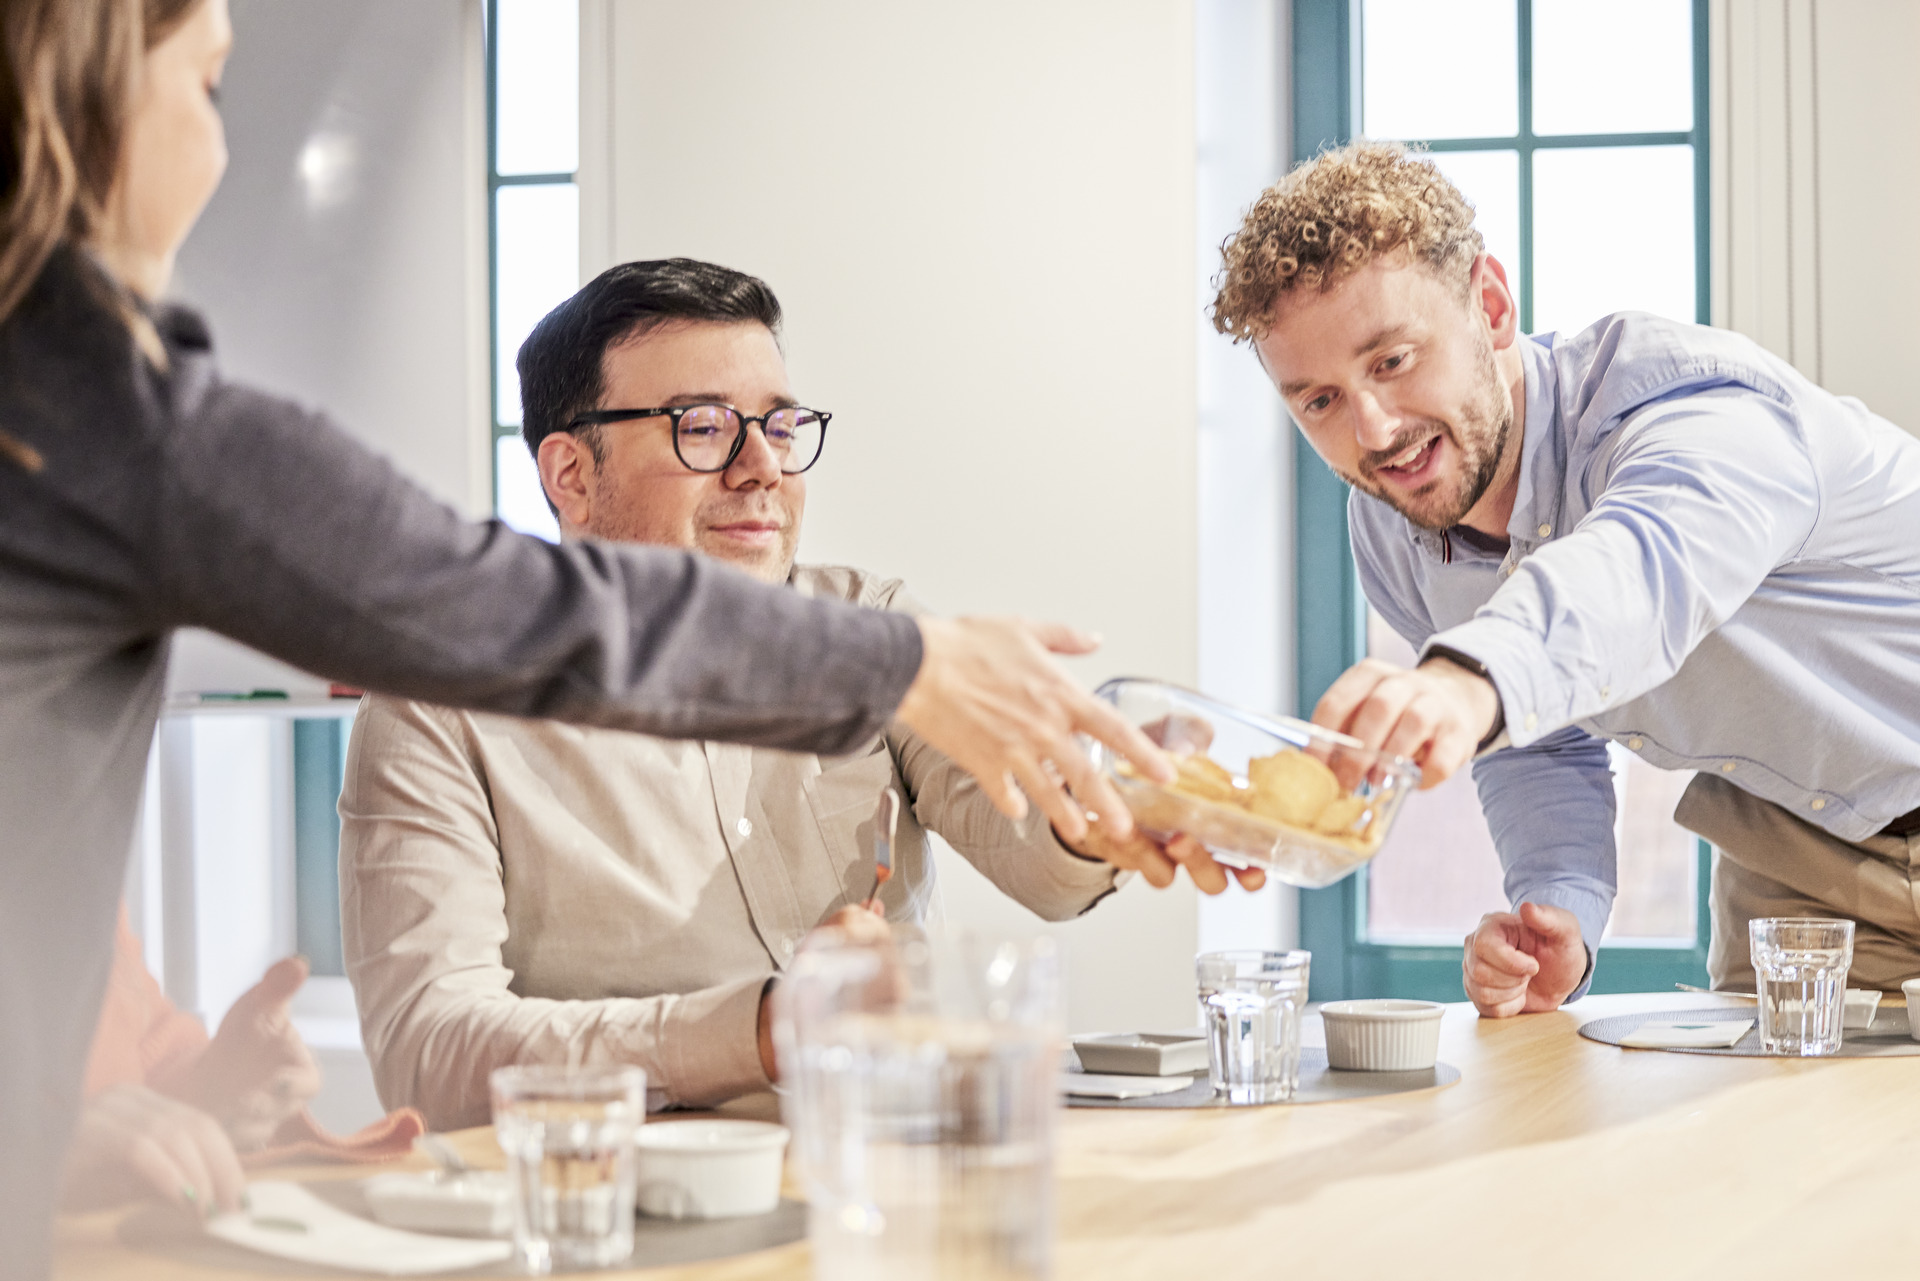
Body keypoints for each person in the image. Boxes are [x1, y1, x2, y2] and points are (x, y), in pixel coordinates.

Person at [0, 2, 1168, 1272]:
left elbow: (1050, 859)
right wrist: (908, 673)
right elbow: (479, 603)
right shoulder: (88, 408)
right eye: (213, 86)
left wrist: (1116, 796)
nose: (222, 151)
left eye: (780, 426)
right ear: (90, 104)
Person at [336, 260, 1257, 1128]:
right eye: (702, 426)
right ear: (571, 476)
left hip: (901, 1178)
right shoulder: (439, 704)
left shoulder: (873, 626)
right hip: (639, 1227)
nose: (763, 469)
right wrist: (765, 1027)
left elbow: (1034, 856)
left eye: (779, 427)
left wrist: (1103, 811)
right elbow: (429, 1051)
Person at [1207, 140, 1920, 1016]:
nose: (1376, 428)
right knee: (1767, 1146)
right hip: (1796, 862)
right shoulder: (1396, 524)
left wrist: (1469, 681)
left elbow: (1636, 573)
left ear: (1492, 305)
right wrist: (1561, 908)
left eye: (1392, 360)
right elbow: (1537, 735)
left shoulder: (1689, 408)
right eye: (1320, 400)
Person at [64, 907, 420, 1214]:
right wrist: (37, 1147)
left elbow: (131, 1054)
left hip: (130, 1237)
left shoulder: (67, 853)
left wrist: (210, 1086)